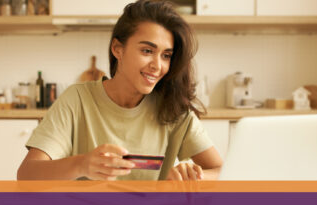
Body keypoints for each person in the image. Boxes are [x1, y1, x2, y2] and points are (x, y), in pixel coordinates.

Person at [17, 0, 222, 181]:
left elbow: (221, 170)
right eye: (147, 51)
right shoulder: (78, 99)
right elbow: (26, 175)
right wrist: (81, 164)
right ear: (118, 49)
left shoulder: (173, 108)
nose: (157, 65)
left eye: (166, 55)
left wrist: (193, 178)